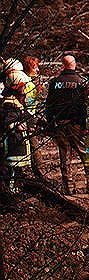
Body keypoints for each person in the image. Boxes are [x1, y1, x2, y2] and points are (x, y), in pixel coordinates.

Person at [46, 54, 89, 193]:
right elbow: (87, 105)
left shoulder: (55, 82)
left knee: (65, 156)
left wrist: (50, 123)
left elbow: (49, 104)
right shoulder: (81, 82)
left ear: (63, 65)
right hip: (76, 124)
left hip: (60, 123)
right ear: (75, 65)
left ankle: (68, 187)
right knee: (84, 153)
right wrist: (86, 124)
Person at [0, 77, 31, 207]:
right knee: (10, 170)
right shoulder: (10, 103)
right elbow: (9, 121)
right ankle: (9, 194)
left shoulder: (14, 102)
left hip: (16, 140)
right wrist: (17, 125)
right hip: (13, 142)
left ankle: (11, 192)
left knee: (13, 170)